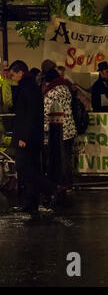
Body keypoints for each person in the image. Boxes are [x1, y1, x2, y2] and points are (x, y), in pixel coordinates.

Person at [9, 60, 61, 215]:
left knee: (24, 168)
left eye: (13, 74)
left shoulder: (28, 88)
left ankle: (50, 189)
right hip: (31, 137)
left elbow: (30, 115)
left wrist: (23, 136)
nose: (12, 78)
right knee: (31, 168)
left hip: (27, 138)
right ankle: (31, 202)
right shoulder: (30, 87)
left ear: (20, 72)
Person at [43, 69, 77, 190]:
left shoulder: (51, 93)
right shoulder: (66, 89)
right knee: (67, 158)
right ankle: (68, 182)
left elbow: (47, 112)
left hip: (58, 130)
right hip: (69, 128)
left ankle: (62, 183)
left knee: (60, 159)